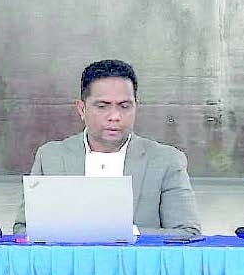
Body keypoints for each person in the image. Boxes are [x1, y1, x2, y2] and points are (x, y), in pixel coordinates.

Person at [13, 59, 201, 235]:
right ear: (81, 109)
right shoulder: (51, 157)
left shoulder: (165, 161)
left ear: (136, 107)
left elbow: (187, 233)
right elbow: (24, 230)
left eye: (124, 106)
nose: (114, 116)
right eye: (102, 106)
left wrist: (127, 233)